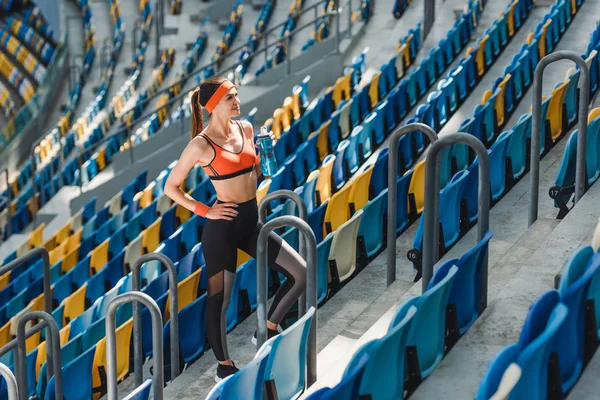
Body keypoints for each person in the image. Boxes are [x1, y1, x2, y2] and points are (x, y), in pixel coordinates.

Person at [163, 77, 307, 382]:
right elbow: (171, 187)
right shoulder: (200, 145)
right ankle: (223, 366)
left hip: (251, 223)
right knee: (220, 301)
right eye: (230, 97)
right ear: (214, 105)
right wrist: (205, 210)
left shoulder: (246, 128)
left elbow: (254, 173)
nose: (237, 101)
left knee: (301, 272)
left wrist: (262, 158)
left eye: (236, 95)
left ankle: (266, 329)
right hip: (222, 230)